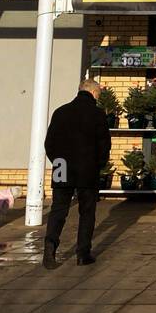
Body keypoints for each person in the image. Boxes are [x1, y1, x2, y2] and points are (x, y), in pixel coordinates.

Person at [43, 78, 112, 268]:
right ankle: (83, 253)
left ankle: (50, 246)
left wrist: (58, 162)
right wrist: (99, 164)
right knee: (87, 212)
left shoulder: (60, 112)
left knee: (58, 209)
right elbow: (104, 144)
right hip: (87, 169)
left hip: (61, 167)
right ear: (94, 93)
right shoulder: (97, 114)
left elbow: (49, 143)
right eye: (98, 93)